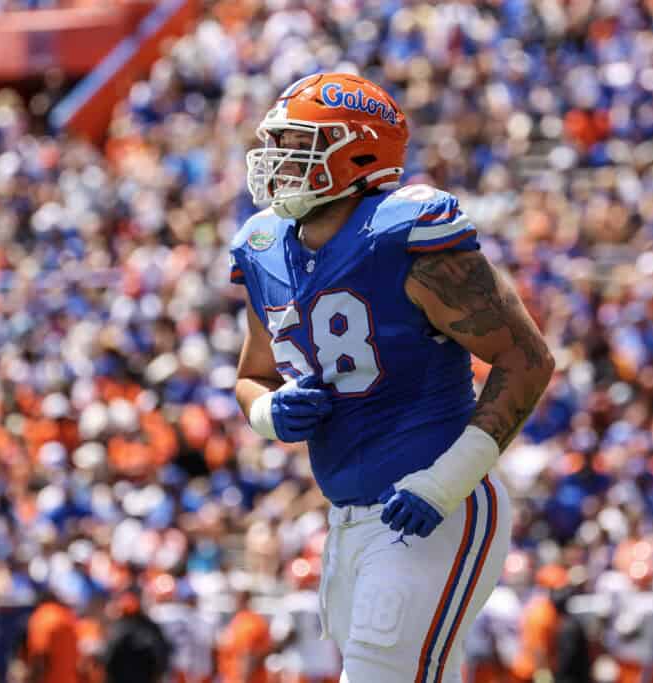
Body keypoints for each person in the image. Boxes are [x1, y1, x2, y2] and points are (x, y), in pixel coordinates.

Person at [231, 72, 554, 682]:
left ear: (358, 154)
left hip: (432, 507)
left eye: (300, 145)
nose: (278, 160)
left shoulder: (404, 233)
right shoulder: (263, 245)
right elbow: (252, 374)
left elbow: (527, 359)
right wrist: (267, 411)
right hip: (346, 521)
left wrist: (445, 482)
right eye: (279, 143)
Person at [101, 592, 171, 683]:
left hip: (144, 676)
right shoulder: (118, 627)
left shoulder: (149, 626)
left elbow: (160, 652)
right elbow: (109, 656)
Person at [216, 591, 272, 683]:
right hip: (232, 677)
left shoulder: (250, 622)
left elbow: (248, 654)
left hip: (247, 679)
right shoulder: (238, 619)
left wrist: (243, 678)